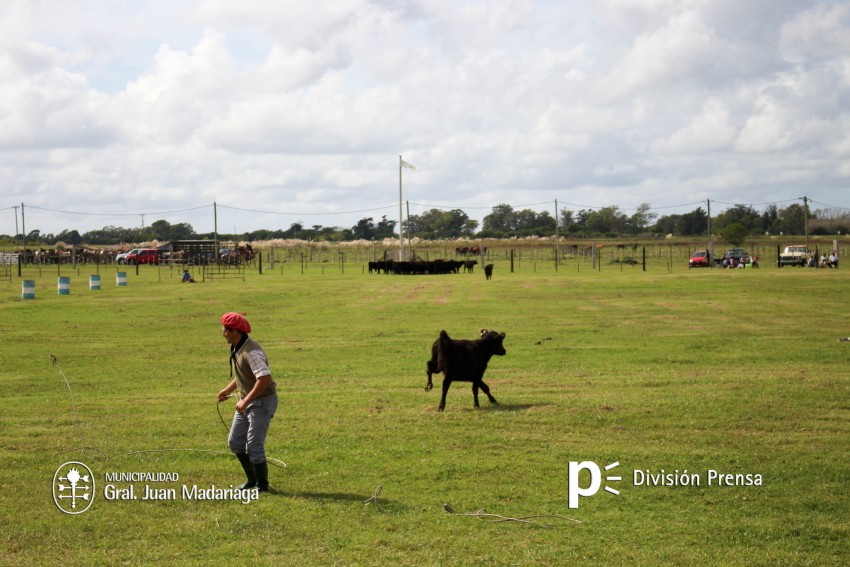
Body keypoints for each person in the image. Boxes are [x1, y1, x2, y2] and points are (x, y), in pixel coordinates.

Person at [217, 312, 278, 492]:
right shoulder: (238, 347)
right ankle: (251, 480)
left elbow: (264, 379)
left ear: (236, 331)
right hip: (247, 400)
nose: (223, 332)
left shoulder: (252, 352)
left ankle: (262, 485)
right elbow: (244, 375)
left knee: (253, 445)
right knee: (235, 442)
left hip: (261, 402)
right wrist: (228, 390)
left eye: (226, 329)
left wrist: (245, 402)